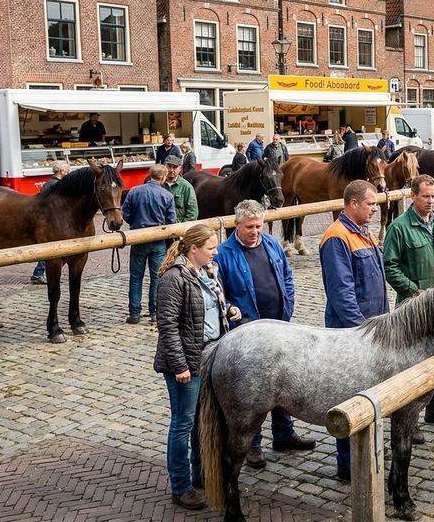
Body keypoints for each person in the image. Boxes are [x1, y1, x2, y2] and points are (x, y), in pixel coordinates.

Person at [215, 200, 314, 469]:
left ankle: (284, 433)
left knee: (284, 381)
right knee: (256, 392)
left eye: (259, 226)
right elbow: (219, 295)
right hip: (250, 332)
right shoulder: (224, 254)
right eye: (249, 227)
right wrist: (232, 310)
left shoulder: (271, 244)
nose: (255, 231)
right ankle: (254, 445)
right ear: (237, 225)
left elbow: (287, 277)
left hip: (280, 325)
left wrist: (289, 303)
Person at [154, 224, 241, 511]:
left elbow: (212, 305)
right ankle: (180, 486)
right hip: (186, 362)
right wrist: (180, 366)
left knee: (202, 420)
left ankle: (200, 473)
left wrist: (228, 309)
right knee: (183, 423)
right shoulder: (173, 279)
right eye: (211, 248)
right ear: (194, 249)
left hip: (211, 354)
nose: (216, 252)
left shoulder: (209, 272)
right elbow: (167, 326)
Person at [382, 174, 434, 438]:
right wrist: (413, 290)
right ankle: (411, 418)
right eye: (425, 196)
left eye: (433, 196)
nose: (431, 201)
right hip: (414, 308)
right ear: (413, 196)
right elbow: (390, 266)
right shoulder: (399, 227)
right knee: (414, 362)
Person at [320, 180, 390, 482]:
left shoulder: (366, 233)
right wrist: (364, 331)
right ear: (352, 204)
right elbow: (342, 294)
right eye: (371, 204)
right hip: (353, 334)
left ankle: (369, 448)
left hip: (374, 329)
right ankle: (348, 464)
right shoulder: (337, 237)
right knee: (349, 395)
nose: (375, 209)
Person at [122, 164, 177, 325]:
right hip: (158, 241)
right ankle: (154, 313)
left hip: (138, 239)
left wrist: (135, 222)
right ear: (163, 177)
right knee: (156, 278)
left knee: (136, 277)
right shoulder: (167, 195)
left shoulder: (134, 191)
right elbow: (171, 221)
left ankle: (134, 313)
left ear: (150, 175)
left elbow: (125, 213)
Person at [30, 160, 71, 284]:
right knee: (50, 249)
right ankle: (39, 273)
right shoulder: (56, 185)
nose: (68, 173)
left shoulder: (49, 183)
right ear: (61, 171)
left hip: (46, 220)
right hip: (51, 222)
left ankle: (40, 272)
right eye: (67, 171)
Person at [163, 155, 199, 223]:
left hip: (179, 227)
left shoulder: (186, 187)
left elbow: (192, 212)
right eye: (169, 166)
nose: (171, 170)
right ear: (164, 167)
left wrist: (183, 227)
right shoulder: (159, 185)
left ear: (180, 169)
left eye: (175, 167)